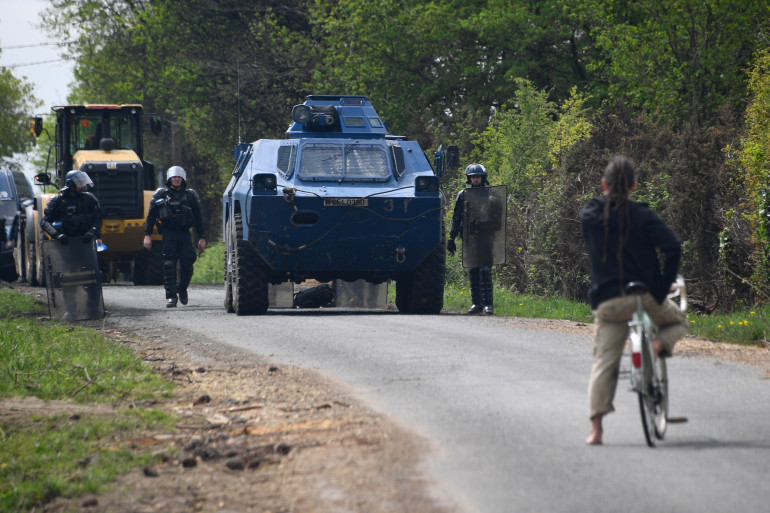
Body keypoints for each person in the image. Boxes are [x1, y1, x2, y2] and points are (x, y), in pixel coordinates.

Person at [580, 155, 688, 446]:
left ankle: (596, 431)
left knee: (604, 363)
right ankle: (657, 345)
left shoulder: (591, 215)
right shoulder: (643, 216)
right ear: (634, 186)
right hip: (643, 298)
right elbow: (673, 247)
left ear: (604, 184)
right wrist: (660, 286)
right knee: (678, 321)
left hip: (609, 303)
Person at [143, 166, 206, 307]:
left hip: (184, 234)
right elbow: (151, 216)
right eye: (174, 177)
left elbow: (198, 217)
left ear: (183, 178)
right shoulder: (160, 194)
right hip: (168, 233)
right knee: (169, 264)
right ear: (169, 178)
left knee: (187, 265)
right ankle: (171, 296)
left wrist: (202, 236)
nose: (177, 179)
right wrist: (147, 235)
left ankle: (182, 289)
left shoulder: (190, 195)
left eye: (179, 177)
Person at [447, 163, 501, 315]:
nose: (475, 180)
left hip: (486, 237)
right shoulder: (463, 195)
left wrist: (484, 224)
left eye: (478, 177)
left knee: (485, 270)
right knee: (473, 270)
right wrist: (451, 237)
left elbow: (498, 219)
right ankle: (476, 303)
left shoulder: (493, 195)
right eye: (473, 177)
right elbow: (456, 217)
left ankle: (488, 305)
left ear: (483, 178)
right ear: (469, 179)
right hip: (470, 239)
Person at [41, 170, 103, 247]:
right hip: (65, 245)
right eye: (79, 183)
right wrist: (57, 235)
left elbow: (98, 219)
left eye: (83, 183)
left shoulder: (89, 199)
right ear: (70, 184)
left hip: (86, 245)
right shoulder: (58, 201)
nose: (82, 186)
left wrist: (92, 232)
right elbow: (45, 223)